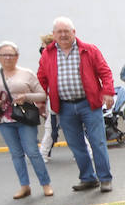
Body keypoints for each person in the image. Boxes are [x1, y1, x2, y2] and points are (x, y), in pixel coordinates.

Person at [37, 16, 116, 192]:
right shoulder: (48, 54)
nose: (63, 35)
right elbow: (41, 78)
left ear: (74, 32)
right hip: (64, 107)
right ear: (54, 34)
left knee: (98, 142)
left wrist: (108, 92)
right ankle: (88, 178)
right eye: (59, 32)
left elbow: (105, 72)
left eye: (67, 31)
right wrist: (40, 101)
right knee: (76, 145)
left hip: (89, 104)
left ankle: (105, 179)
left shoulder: (89, 50)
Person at [0, 41, 52, 199]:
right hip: (4, 120)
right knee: (16, 154)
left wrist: (26, 97)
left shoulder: (26, 73)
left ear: (17, 57)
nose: (8, 58)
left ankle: (45, 184)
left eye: (11, 55)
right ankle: (24, 186)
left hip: (24, 117)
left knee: (33, 151)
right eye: (4, 55)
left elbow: (42, 94)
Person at [37, 32, 61, 160]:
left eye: (42, 46)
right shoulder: (55, 57)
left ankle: (44, 154)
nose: (41, 49)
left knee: (50, 126)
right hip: (55, 99)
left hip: (54, 99)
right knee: (73, 127)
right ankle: (86, 152)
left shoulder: (46, 58)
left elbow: (42, 80)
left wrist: (41, 100)